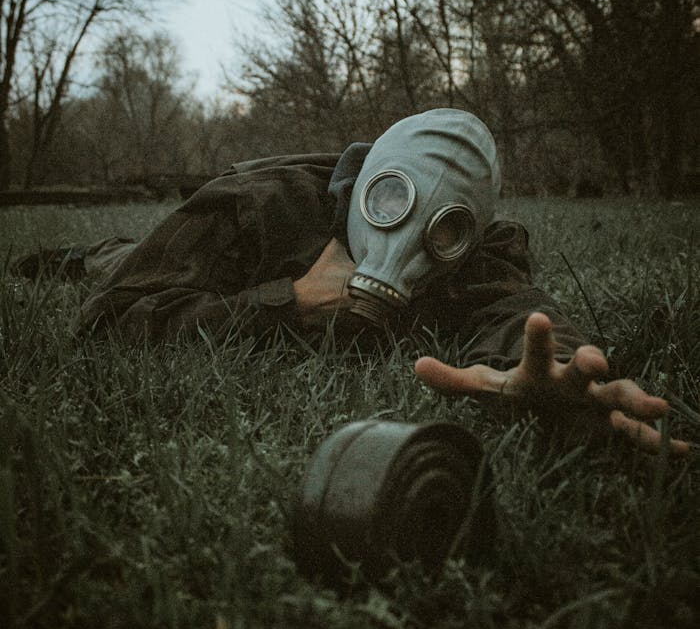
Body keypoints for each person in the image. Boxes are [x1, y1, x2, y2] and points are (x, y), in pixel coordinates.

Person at [11, 108, 688, 453]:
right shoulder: (258, 202)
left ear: (470, 235)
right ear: (360, 181)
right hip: (215, 267)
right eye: (390, 203)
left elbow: (519, 316)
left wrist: (562, 373)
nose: (410, 241)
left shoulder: (474, 256)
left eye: (444, 231)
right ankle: (66, 254)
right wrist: (287, 303)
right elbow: (112, 315)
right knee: (113, 261)